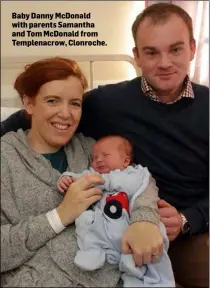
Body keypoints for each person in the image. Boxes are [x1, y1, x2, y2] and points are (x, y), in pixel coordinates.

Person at [1, 3, 209, 287]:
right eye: (151, 52)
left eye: (175, 49)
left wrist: (188, 219)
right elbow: (36, 116)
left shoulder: (208, 108)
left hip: (191, 228)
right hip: (118, 234)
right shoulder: (105, 104)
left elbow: (139, 179)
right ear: (136, 56)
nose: (164, 63)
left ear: (193, 49)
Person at [0, 57, 163, 287]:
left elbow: (141, 180)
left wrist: (144, 220)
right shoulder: (6, 158)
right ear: (29, 103)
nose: (66, 113)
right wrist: (60, 216)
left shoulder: (91, 150)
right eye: (53, 100)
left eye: (75, 103)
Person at [57, 135, 175, 287]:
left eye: (105, 155)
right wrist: (68, 178)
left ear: (126, 161)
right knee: (86, 220)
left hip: (132, 230)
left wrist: (105, 180)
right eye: (94, 157)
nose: (98, 160)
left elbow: (132, 184)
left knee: (149, 249)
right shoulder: (94, 174)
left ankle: (147, 278)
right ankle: (92, 250)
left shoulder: (133, 173)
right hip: (105, 230)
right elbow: (82, 178)